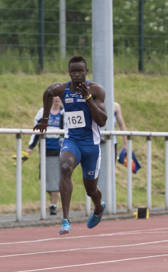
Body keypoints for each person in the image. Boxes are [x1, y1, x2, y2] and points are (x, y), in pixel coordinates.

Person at [33, 55, 107, 235]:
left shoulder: (96, 90)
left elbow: (103, 120)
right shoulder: (63, 88)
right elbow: (48, 92)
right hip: (72, 141)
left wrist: (88, 99)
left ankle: (98, 206)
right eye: (73, 72)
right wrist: (45, 119)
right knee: (65, 167)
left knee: (91, 190)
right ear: (69, 73)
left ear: (86, 72)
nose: (77, 75)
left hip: (91, 145)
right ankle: (66, 219)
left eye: (80, 71)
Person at [27, 96, 64, 216]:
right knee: (45, 178)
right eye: (55, 98)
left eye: (59, 98)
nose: (57, 100)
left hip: (58, 151)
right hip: (44, 149)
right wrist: (30, 147)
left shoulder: (64, 113)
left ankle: (53, 204)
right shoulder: (42, 112)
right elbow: (36, 131)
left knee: (56, 178)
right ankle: (52, 201)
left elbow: (68, 131)